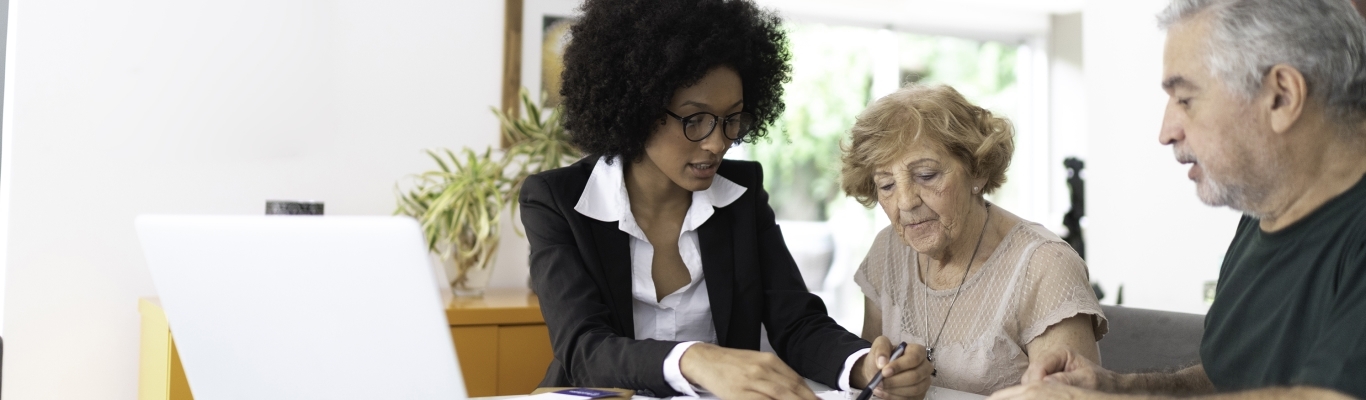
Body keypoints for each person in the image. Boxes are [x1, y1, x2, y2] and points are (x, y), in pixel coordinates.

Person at [518, 1, 926, 398]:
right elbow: (585, 349)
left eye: (731, 119)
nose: (717, 143)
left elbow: (797, 323)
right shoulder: (557, 200)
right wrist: (696, 360)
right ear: (637, 109)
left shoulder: (742, 196)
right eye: (694, 120)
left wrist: (863, 366)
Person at [989, 0, 1366, 399]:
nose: (1167, 131)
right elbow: (1230, 381)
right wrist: (1119, 388)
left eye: (1185, 99)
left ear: (1281, 96)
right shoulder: (1263, 214)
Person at [839, 83, 1108, 396]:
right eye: (886, 185)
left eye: (926, 176)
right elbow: (874, 379)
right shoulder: (888, 251)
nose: (905, 202)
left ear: (977, 172)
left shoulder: (1045, 267)